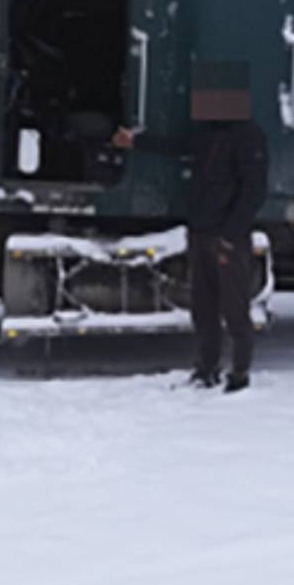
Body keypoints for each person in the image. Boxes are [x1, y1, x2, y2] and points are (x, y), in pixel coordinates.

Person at [113, 61, 269, 392]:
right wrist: (136, 142)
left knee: (234, 309)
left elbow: (254, 191)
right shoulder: (207, 134)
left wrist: (230, 234)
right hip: (200, 233)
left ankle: (240, 374)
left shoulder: (249, 136)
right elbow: (175, 145)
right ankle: (206, 369)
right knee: (204, 309)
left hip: (227, 238)